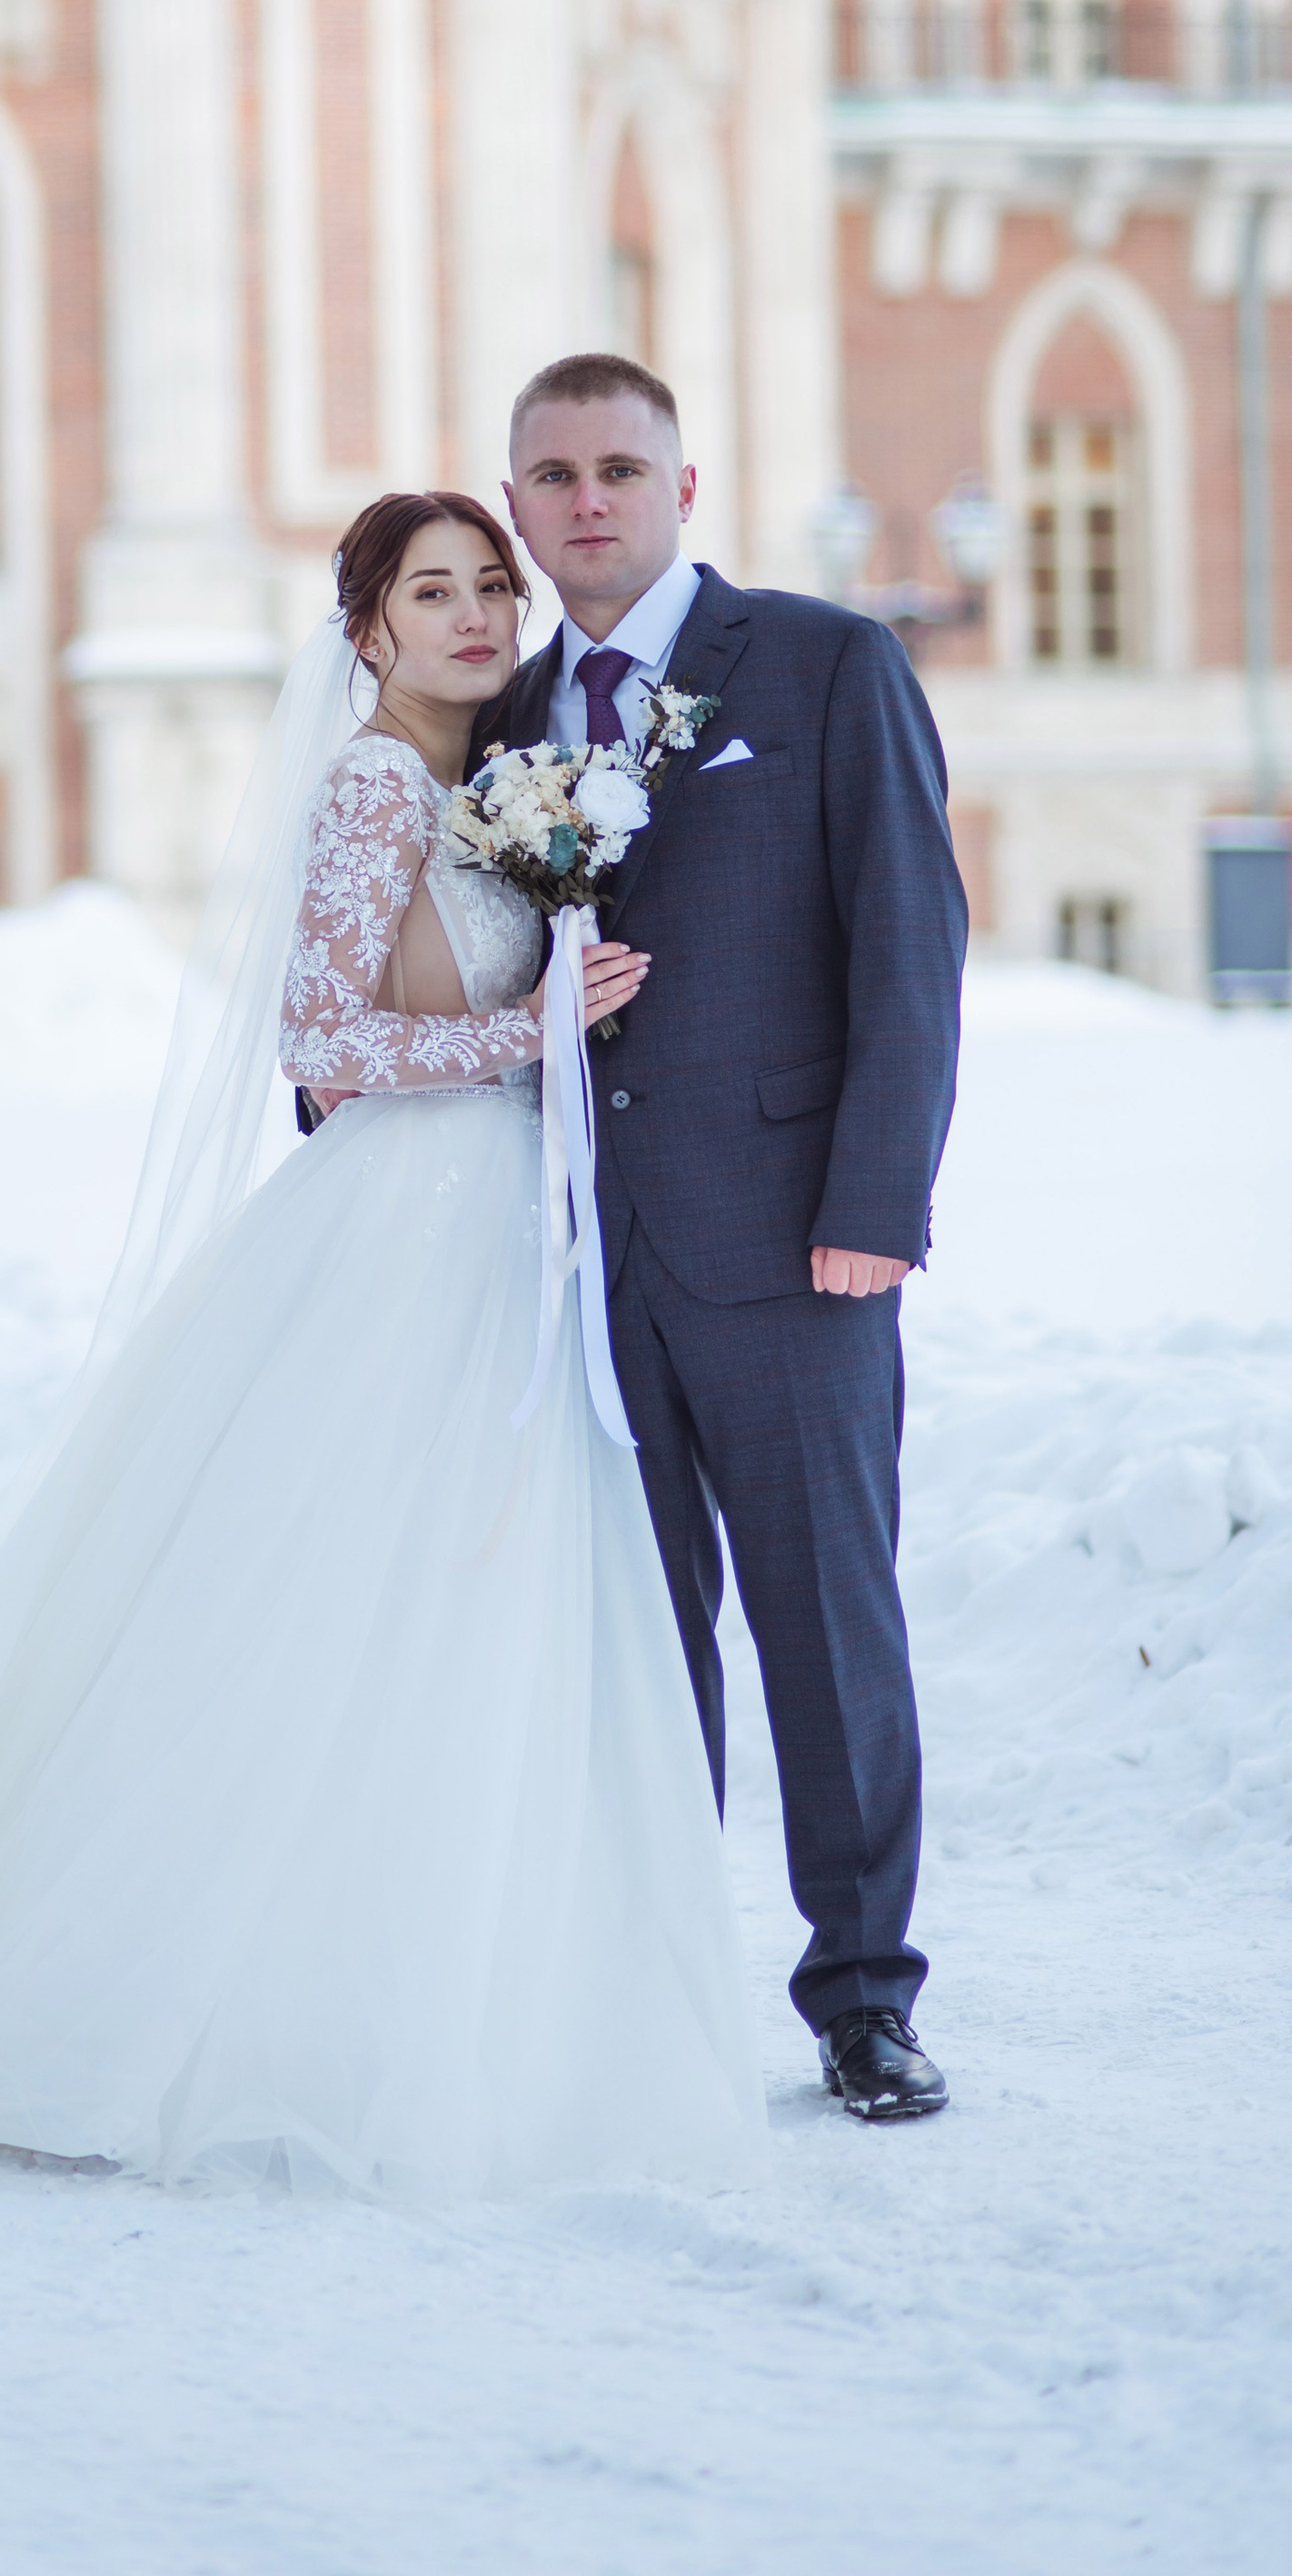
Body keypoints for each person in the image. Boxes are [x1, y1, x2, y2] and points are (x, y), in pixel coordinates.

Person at [0, 491, 767, 2202]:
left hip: (496, 1238)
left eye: (490, 589)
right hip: (400, 1237)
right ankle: (177, 2003)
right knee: (328, 1606)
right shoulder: (378, 782)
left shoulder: (489, 786)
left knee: (462, 1614)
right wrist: (529, 1033)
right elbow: (317, 1038)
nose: (471, 618)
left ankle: (439, 1992)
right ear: (365, 632)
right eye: (429, 593)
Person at [470, 353, 968, 2124]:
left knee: (824, 1630)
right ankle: (653, 1992)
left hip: (787, 1254)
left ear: (686, 485)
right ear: (514, 504)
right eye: (548, 474)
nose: (583, 498)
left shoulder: (824, 668)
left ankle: (860, 1998)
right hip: (585, 1272)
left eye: (617, 466)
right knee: (629, 1637)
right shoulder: (505, 719)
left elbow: (906, 947)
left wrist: (871, 1211)